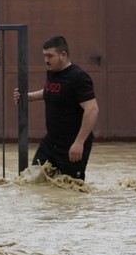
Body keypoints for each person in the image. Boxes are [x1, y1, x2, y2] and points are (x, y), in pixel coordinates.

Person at [14, 36, 99, 180]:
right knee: (32, 180)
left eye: (50, 56)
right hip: (51, 141)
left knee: (70, 189)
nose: (46, 60)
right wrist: (28, 97)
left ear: (63, 55)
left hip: (71, 144)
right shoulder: (52, 71)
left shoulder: (78, 77)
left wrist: (79, 143)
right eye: (44, 56)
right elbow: (52, 91)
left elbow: (92, 110)